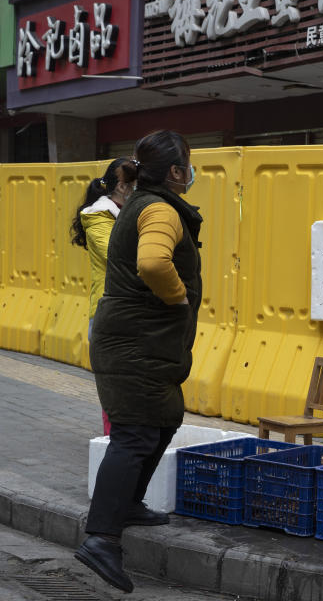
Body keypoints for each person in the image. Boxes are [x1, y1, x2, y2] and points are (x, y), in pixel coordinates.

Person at [74, 130, 202, 594]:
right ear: (174, 171)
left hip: (142, 345)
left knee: (164, 419)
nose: (191, 171)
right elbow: (152, 264)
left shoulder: (146, 203)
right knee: (135, 434)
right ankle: (101, 538)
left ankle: (127, 504)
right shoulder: (161, 209)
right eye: (187, 163)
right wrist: (179, 297)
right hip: (134, 345)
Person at [70, 158, 136, 436]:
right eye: (138, 185)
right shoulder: (98, 215)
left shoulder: (129, 210)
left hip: (133, 309)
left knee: (132, 382)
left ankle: (127, 440)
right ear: (122, 186)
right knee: (115, 383)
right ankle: (114, 441)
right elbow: (116, 255)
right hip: (109, 309)